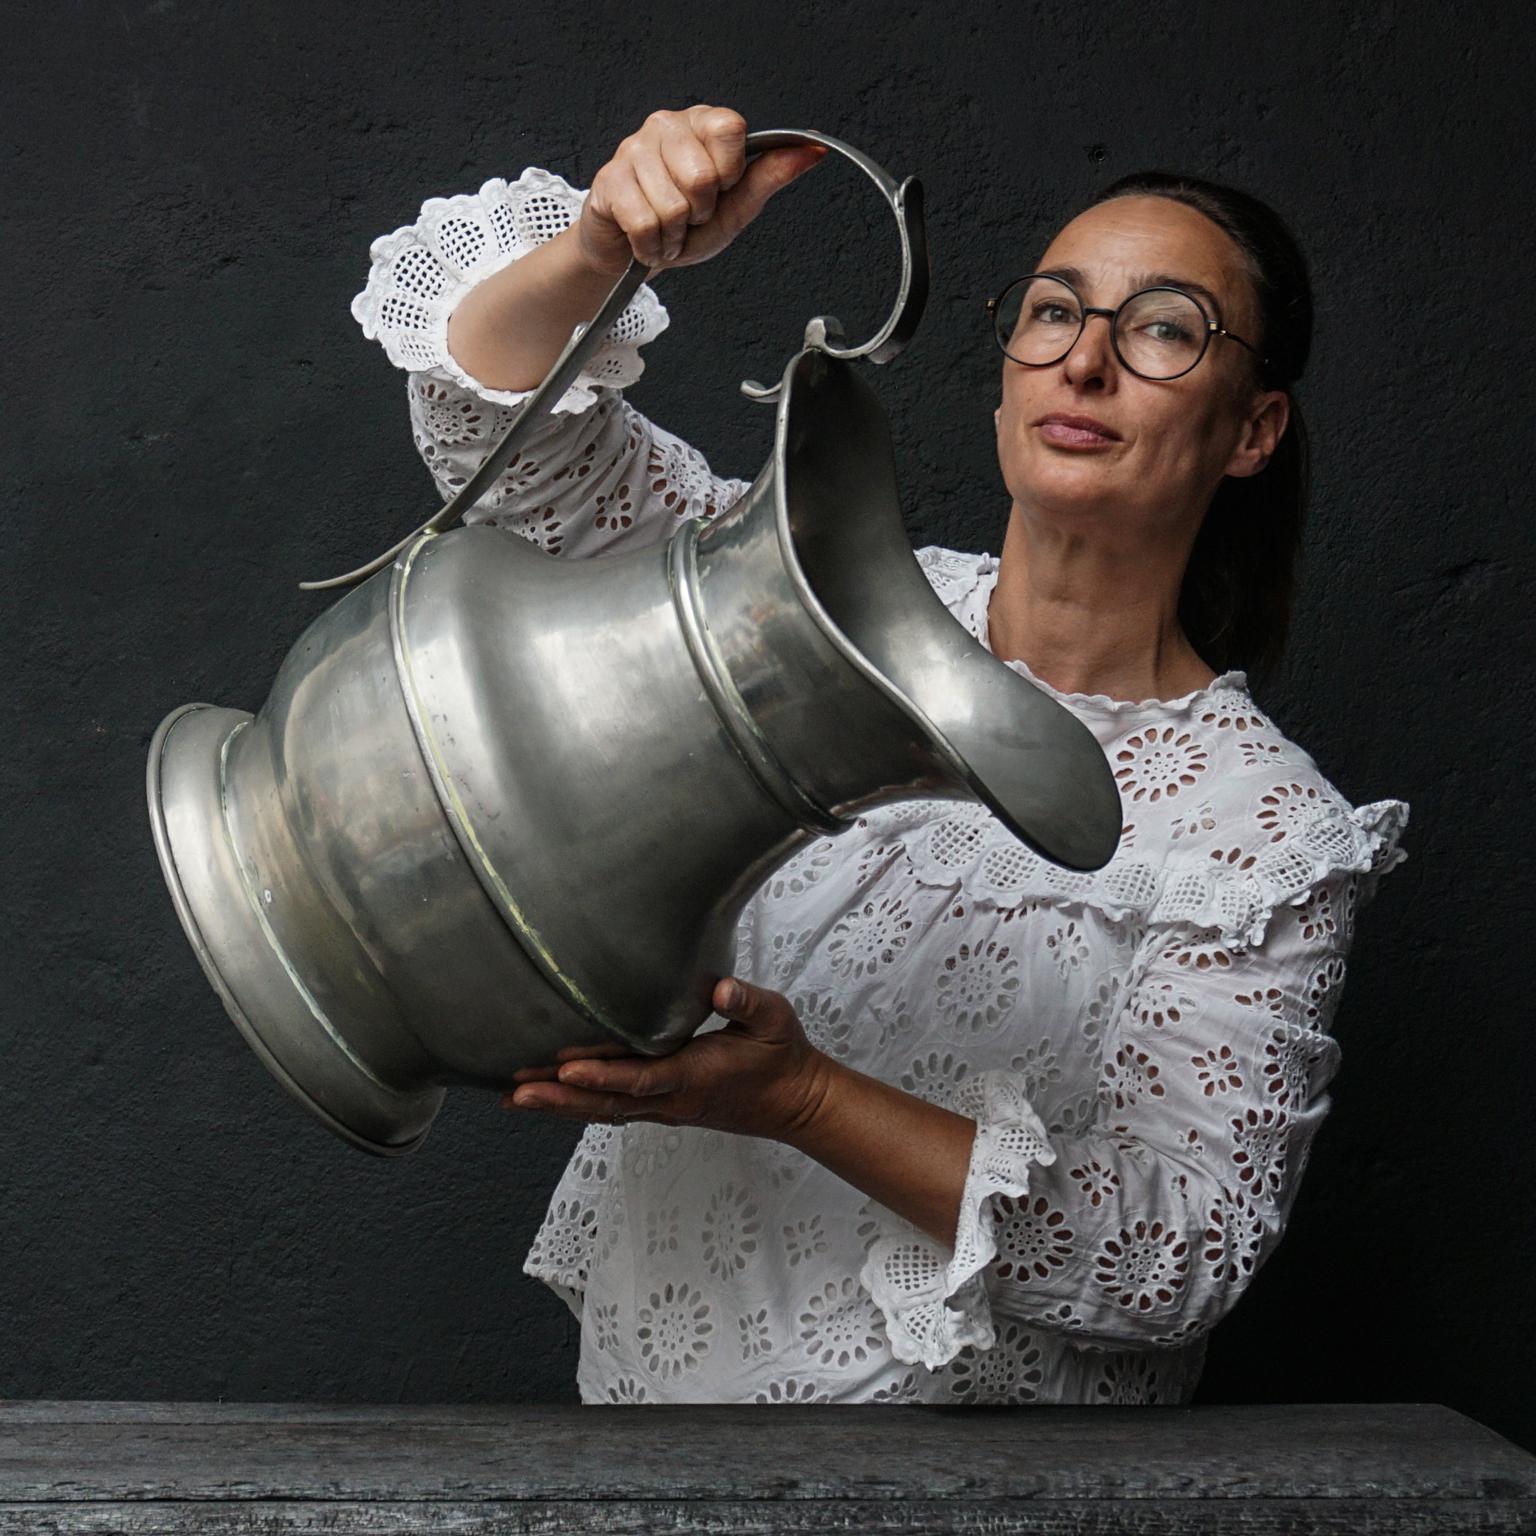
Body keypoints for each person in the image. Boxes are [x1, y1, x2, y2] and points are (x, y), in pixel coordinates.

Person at [351, 105, 1410, 1405]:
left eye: (1164, 329)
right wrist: (600, 245)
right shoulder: (813, 604)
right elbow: (525, 460)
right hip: (641, 1447)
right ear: (1009, 364)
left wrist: (802, 1099)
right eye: (1055, 312)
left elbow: (1176, 1257)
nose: (1086, 362)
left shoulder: (1266, 830)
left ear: (1253, 430)